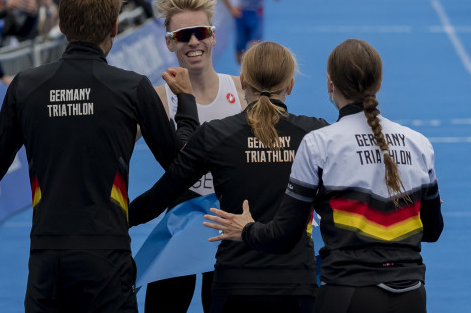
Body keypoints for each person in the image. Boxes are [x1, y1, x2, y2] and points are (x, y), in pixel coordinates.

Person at [0, 0, 200, 312]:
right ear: (114, 27)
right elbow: (181, 165)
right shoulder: (131, 87)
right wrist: (185, 102)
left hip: (47, 256)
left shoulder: (25, 86)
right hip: (106, 254)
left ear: (63, 25)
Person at [205, 39, 445, 313]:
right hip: (412, 295)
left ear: (330, 85)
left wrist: (246, 229)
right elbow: (433, 231)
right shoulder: (419, 143)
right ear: (378, 84)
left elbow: (284, 235)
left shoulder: (319, 143)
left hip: (347, 293)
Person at [129, 41, 328, 313]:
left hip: (235, 284)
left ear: (243, 81)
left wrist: (113, 220)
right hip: (297, 284)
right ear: (290, 85)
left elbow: (158, 198)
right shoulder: (315, 133)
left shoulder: (215, 135)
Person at [139, 0, 247, 313]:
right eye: (184, 36)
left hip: (229, 230)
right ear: (170, 42)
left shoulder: (242, 89)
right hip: (178, 228)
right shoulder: (157, 99)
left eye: (200, 33)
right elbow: (107, 152)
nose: (193, 42)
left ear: (213, 36)